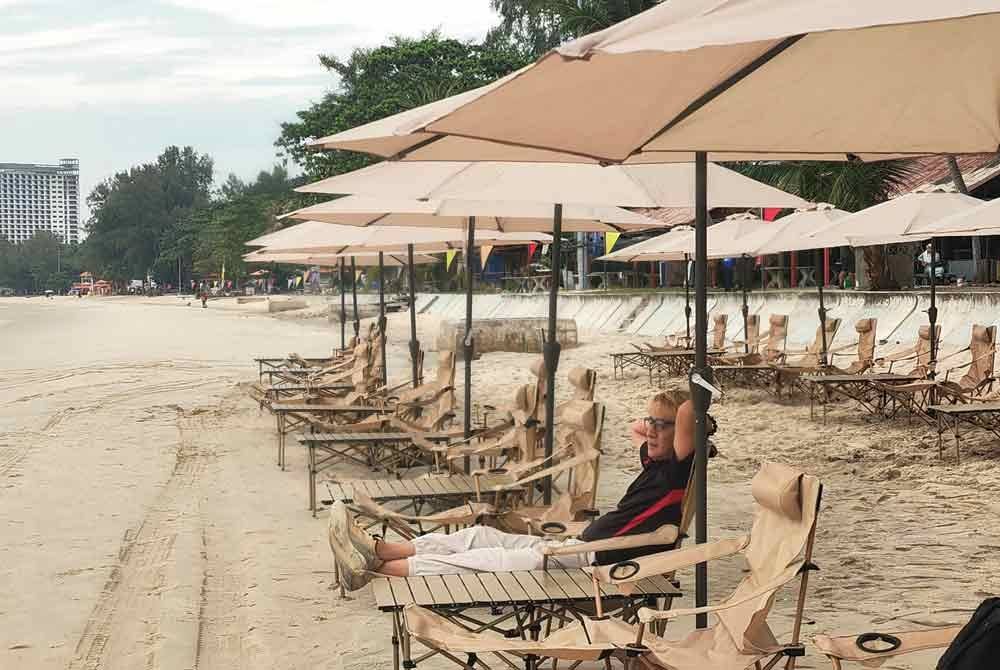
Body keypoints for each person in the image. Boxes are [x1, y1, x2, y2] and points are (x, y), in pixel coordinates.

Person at [328, 387, 698, 590]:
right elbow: (646, 427)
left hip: (593, 564)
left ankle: (375, 570)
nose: (649, 429)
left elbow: (684, 415)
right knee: (477, 535)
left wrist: (698, 410)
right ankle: (379, 550)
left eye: (662, 425)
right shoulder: (658, 463)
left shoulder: (676, 474)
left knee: (482, 562)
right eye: (649, 421)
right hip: (574, 548)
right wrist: (657, 419)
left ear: (685, 432)